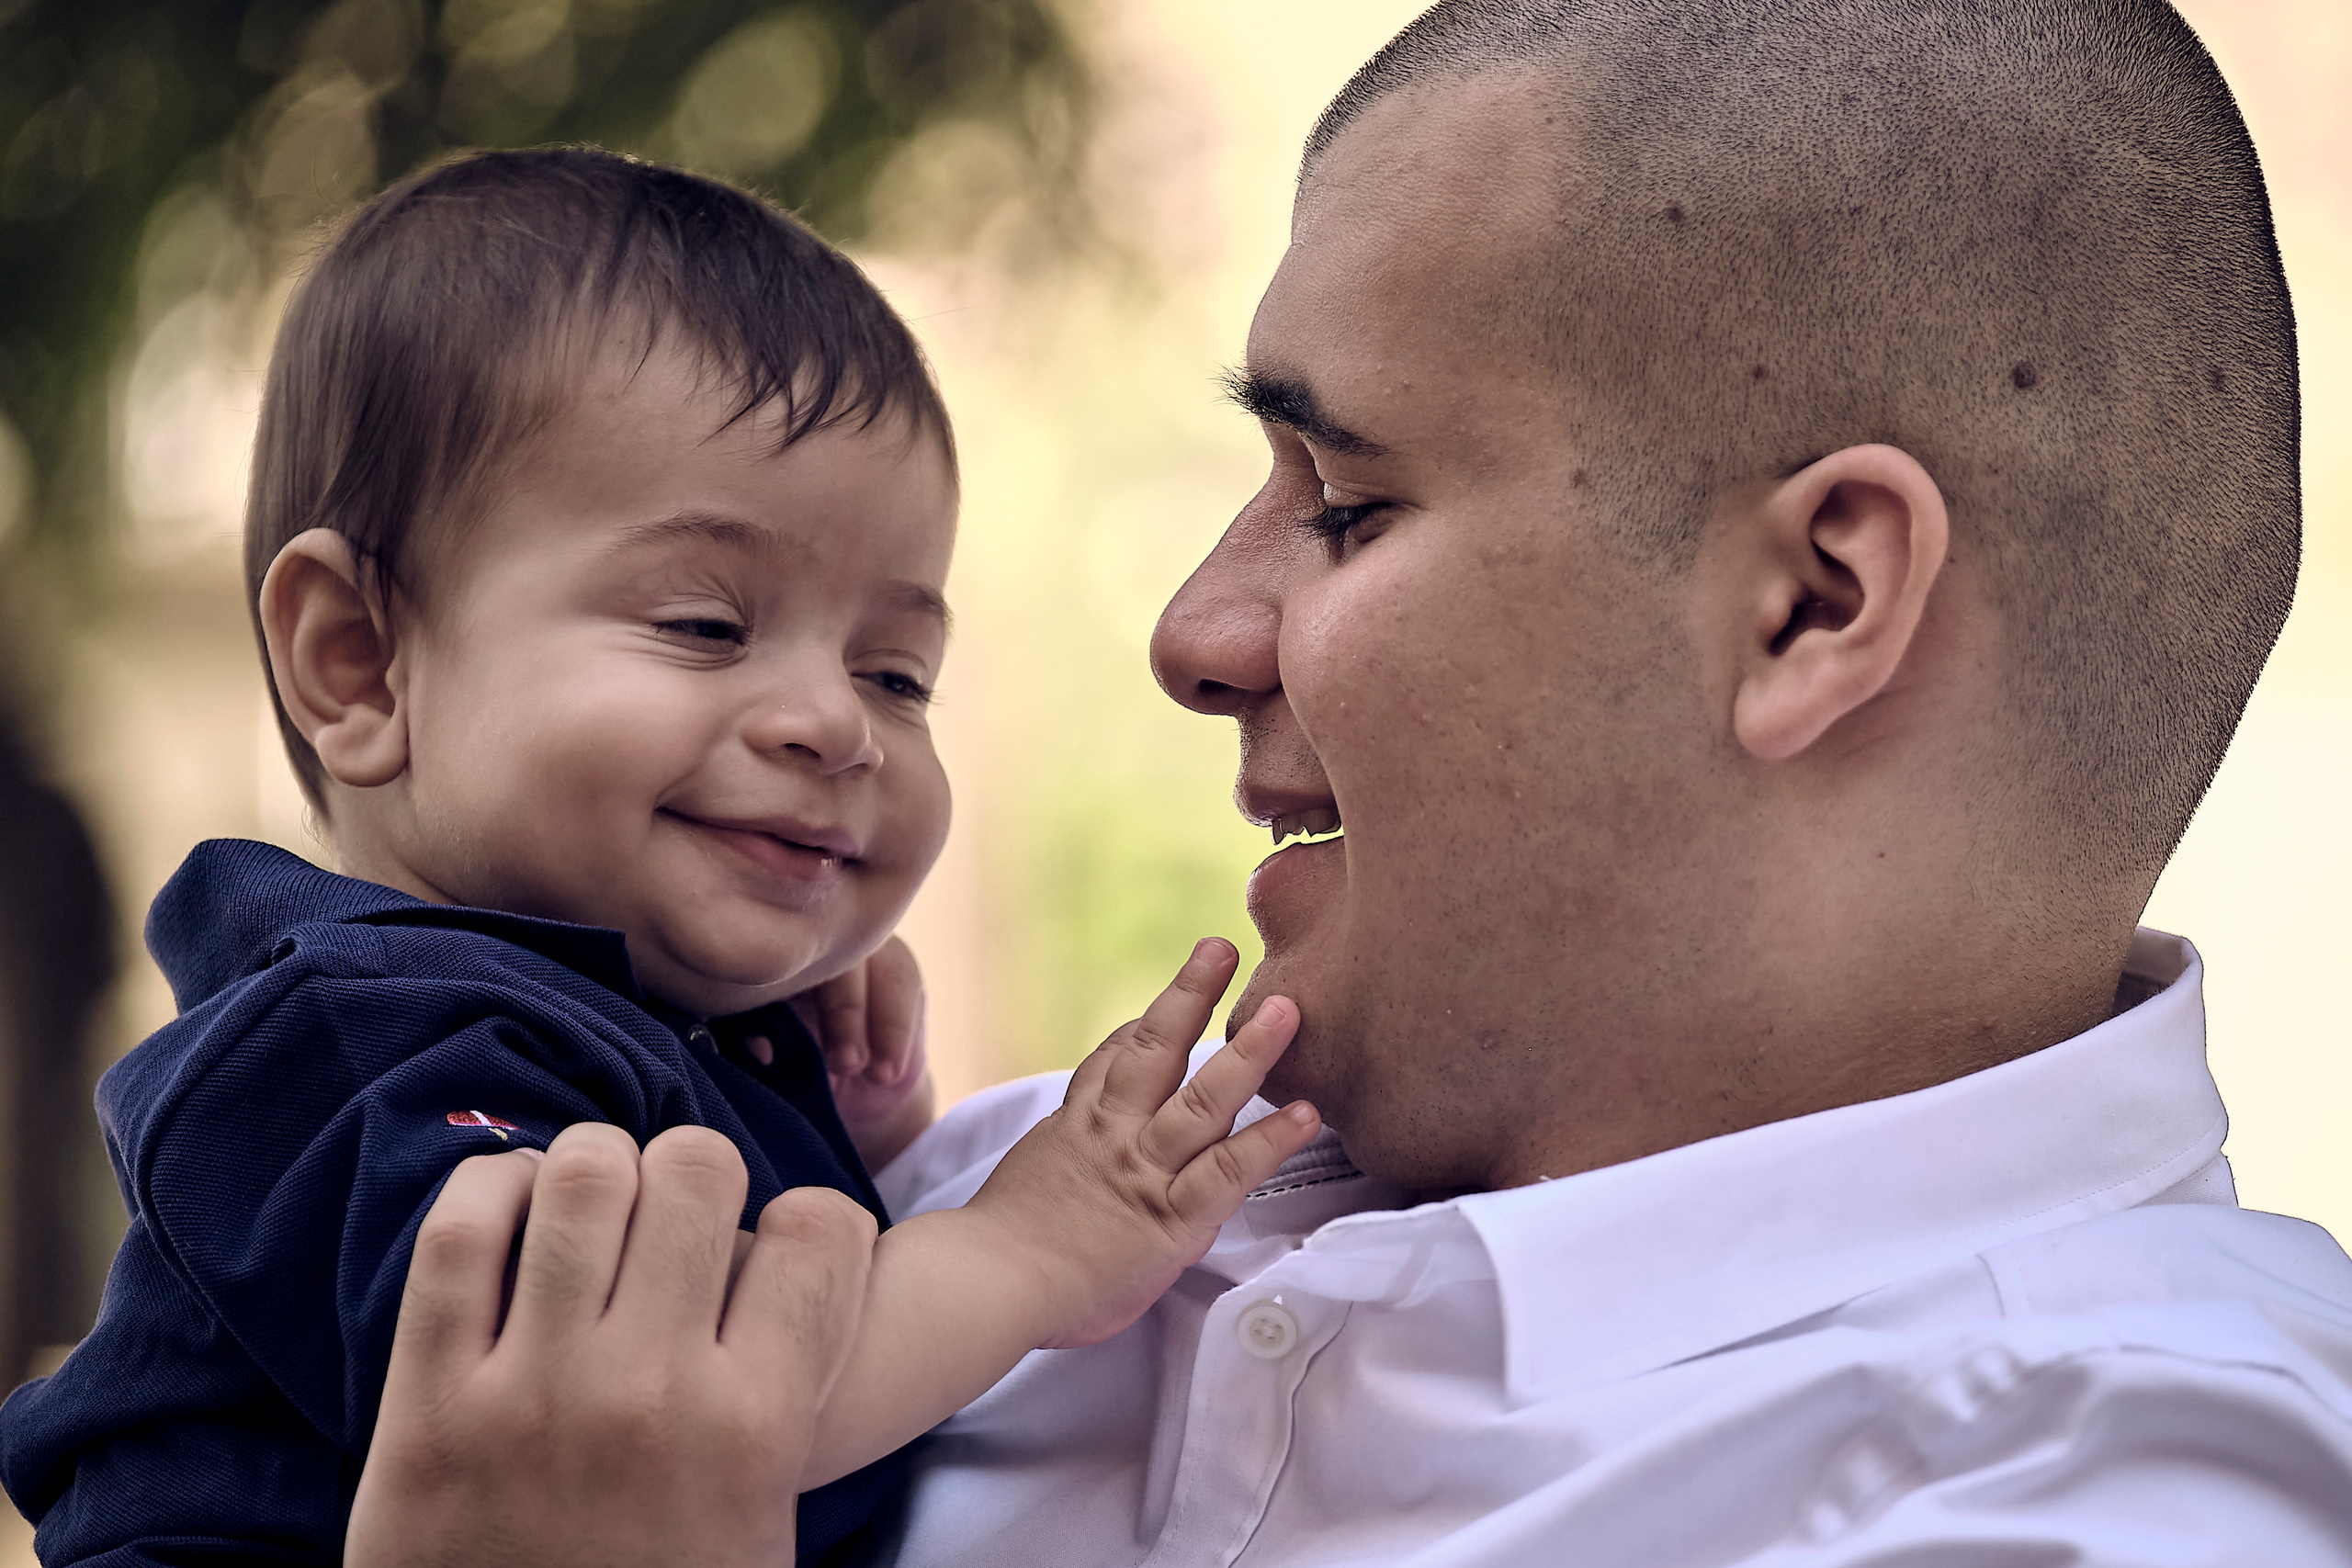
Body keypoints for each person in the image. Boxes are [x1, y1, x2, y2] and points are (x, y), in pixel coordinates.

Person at [362, 0, 2352, 1562]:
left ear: (1809, 603)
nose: (1191, 631)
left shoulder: (2105, 1499)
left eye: (1342, 503)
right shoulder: (1005, 1196)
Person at [0, 147, 1324, 1564]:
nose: (835, 724)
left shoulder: (602, 1037)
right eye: (704, 625)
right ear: (361, 663)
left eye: (899, 673)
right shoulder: (356, 1041)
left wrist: (851, 1151)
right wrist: (1027, 1246)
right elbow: (651, 1416)